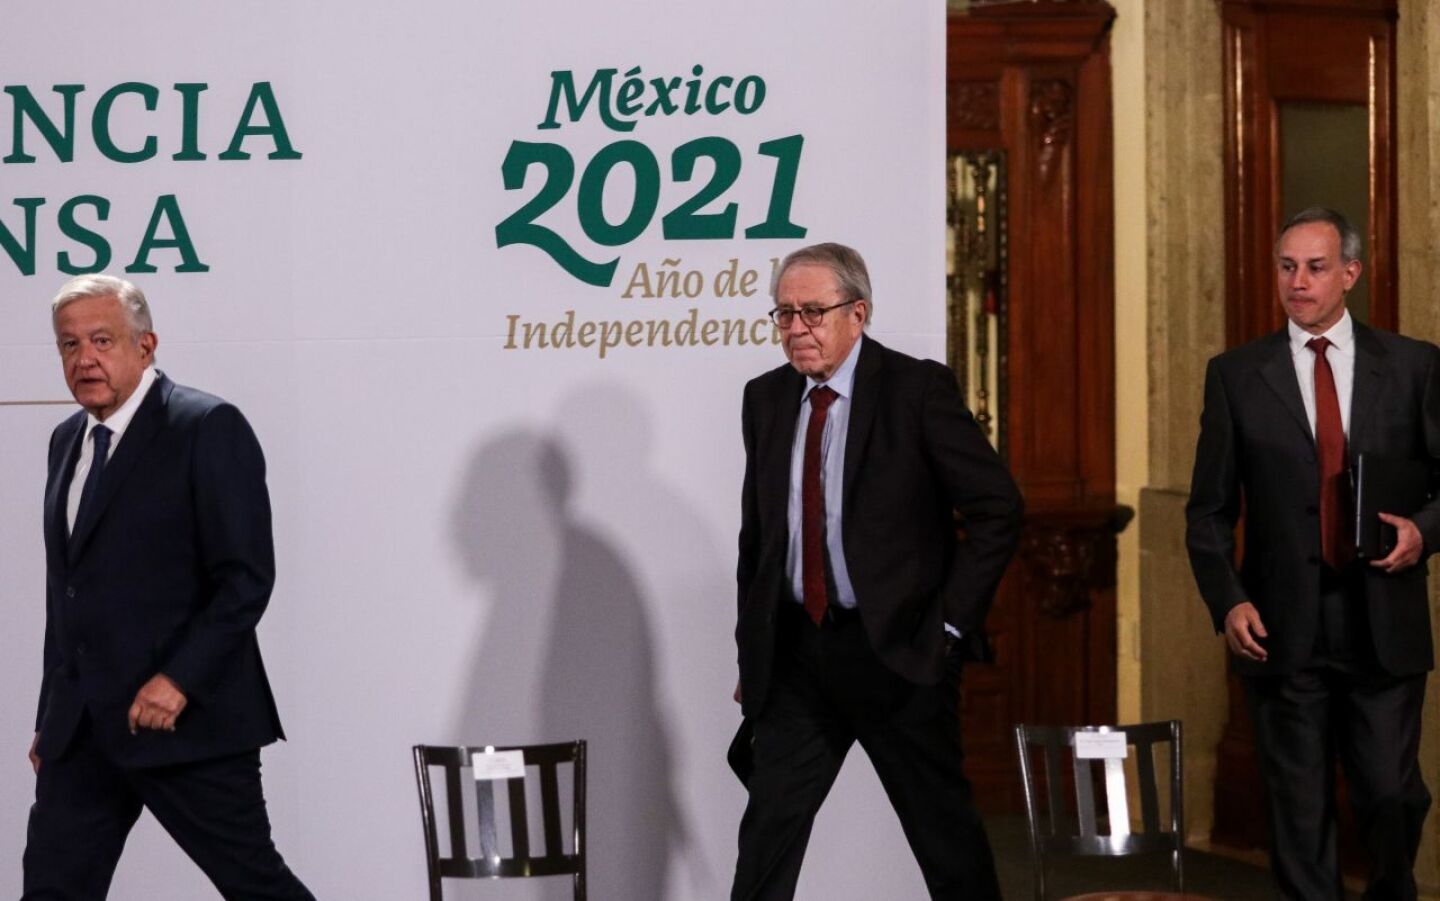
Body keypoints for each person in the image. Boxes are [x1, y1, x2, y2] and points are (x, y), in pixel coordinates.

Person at [730, 242, 1023, 900]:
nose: (796, 328)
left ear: (857, 312)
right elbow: (760, 538)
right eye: (783, 314)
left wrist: (947, 626)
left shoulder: (915, 389)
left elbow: (998, 507)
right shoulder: (765, 399)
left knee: (943, 835)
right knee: (769, 830)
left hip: (898, 653)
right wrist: (754, 657)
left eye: (813, 311)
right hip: (800, 656)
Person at [23, 275, 313, 900]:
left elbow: (245, 578)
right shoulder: (65, 440)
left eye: (102, 340)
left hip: (186, 725)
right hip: (82, 733)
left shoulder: (205, 426)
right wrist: (51, 717)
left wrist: (178, 680)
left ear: (146, 345)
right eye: (69, 345)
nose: (85, 359)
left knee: (256, 887)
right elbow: (66, 594)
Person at [1187, 207, 1439, 900]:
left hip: (1382, 622)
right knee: (1299, 818)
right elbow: (1207, 510)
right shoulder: (1236, 376)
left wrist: (1423, 532)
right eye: (1287, 266)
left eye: (1316, 266)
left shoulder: (1414, 367)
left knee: (1390, 795)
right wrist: (1228, 597)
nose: (1298, 281)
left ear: (1350, 273)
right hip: (1280, 629)